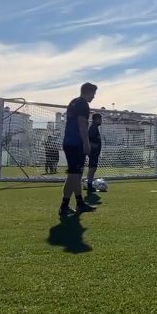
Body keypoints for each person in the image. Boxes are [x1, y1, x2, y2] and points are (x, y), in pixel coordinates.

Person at [58, 82, 98, 218]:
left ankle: (68, 205)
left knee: (73, 175)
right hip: (76, 143)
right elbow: (82, 124)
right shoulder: (83, 104)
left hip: (68, 141)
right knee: (75, 175)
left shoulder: (73, 102)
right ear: (88, 91)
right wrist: (86, 143)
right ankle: (75, 204)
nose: (94, 97)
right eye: (93, 93)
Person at [84, 113, 102, 193]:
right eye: (100, 119)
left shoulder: (95, 128)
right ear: (96, 119)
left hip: (95, 153)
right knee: (92, 168)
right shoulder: (93, 128)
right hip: (93, 153)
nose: (101, 121)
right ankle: (89, 185)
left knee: (93, 168)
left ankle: (89, 184)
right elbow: (88, 139)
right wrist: (91, 149)